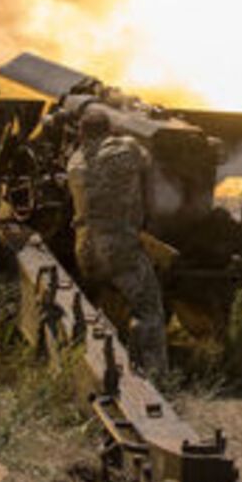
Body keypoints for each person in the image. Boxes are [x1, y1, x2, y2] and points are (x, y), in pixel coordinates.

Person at [66, 107, 169, 377]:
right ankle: (152, 374)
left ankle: (97, 362)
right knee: (148, 309)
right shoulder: (127, 149)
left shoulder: (74, 161)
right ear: (110, 130)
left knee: (102, 301)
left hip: (85, 249)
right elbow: (148, 161)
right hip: (119, 247)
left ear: (80, 133)